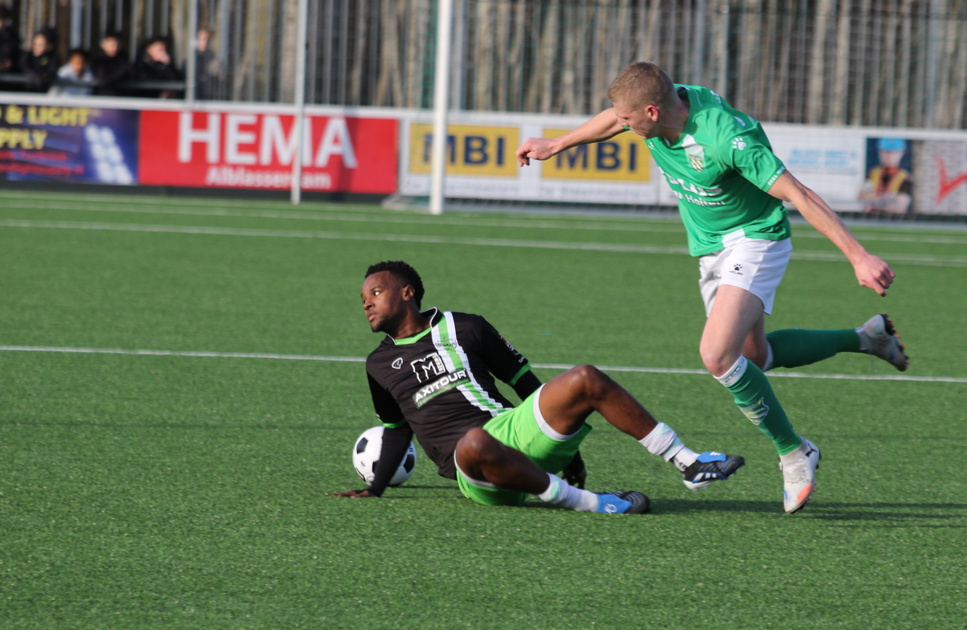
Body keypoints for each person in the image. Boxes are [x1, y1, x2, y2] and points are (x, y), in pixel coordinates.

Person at [516, 61, 909, 514]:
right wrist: (558, 143)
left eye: (627, 119)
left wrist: (858, 255)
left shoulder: (726, 139)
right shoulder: (660, 107)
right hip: (710, 248)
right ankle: (867, 338)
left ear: (652, 110)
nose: (620, 125)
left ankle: (794, 451)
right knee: (753, 358)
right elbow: (612, 117)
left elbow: (799, 194)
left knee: (717, 355)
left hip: (756, 237)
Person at [332, 261, 746, 514]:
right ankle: (590, 503)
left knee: (586, 376)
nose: (366, 302)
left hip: (514, 430)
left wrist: (570, 449)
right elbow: (396, 429)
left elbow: (526, 384)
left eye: (375, 292)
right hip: (475, 472)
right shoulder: (378, 364)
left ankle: (687, 462)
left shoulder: (467, 326)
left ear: (407, 294)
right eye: (362, 297)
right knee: (474, 442)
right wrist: (375, 488)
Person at [859, 137, 914, 213]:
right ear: (880, 152)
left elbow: (899, 206)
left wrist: (874, 201)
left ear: (901, 153)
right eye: (886, 152)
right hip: (872, 218)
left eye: (893, 152)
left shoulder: (905, 178)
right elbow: (862, 196)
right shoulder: (873, 173)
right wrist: (886, 202)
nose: (889, 156)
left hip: (895, 220)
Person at [21, 27, 59, 92]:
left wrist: (42, 78)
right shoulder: (27, 56)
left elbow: (50, 73)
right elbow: (24, 67)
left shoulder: (53, 59)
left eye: (40, 45)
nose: (36, 47)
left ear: (50, 46)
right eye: (35, 44)